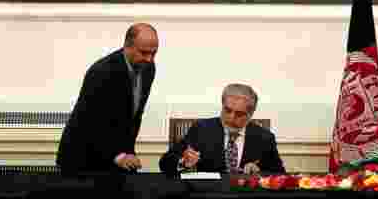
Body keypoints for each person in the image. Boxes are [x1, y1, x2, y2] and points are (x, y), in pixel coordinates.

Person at [56, 23, 158, 175]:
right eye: (144, 53)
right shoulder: (101, 72)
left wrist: (128, 152)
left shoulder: (148, 69)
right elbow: (91, 122)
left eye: (154, 53)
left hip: (117, 158)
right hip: (83, 158)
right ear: (127, 46)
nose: (149, 59)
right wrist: (118, 156)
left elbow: (134, 116)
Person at [159, 83, 285, 176]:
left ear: (250, 114)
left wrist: (259, 171)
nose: (231, 117)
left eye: (239, 114)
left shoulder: (265, 138)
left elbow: (279, 174)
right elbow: (165, 163)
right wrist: (183, 162)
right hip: (209, 194)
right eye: (227, 110)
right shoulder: (201, 129)